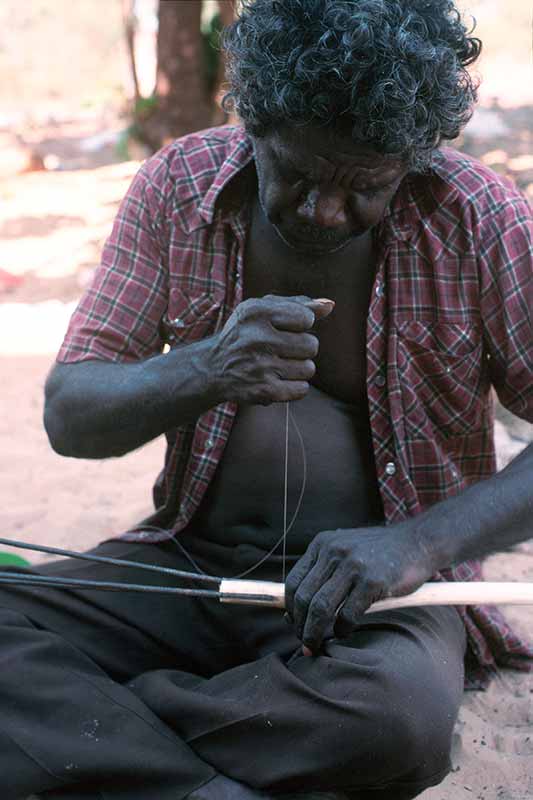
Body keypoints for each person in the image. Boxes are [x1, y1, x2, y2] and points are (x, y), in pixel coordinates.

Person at [2, 1, 532, 798]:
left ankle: (106, 735)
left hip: (383, 601)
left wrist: (416, 545)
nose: (323, 211)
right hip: (189, 568)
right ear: (252, 120)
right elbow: (71, 415)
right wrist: (204, 367)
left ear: (414, 158)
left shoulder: (477, 218)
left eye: (365, 186)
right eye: (296, 171)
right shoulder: (176, 186)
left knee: (393, 720)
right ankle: (204, 778)